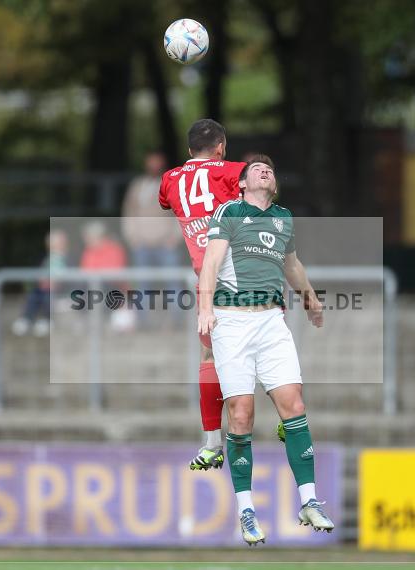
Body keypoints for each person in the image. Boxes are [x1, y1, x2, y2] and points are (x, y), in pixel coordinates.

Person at [197, 155, 334, 545]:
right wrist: (205, 308)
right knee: (241, 414)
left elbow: (292, 264)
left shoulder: (283, 217)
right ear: (241, 184)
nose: (264, 170)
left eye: (270, 170)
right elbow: (211, 263)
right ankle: (246, 509)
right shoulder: (231, 211)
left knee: (294, 405)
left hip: (272, 321)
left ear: (274, 185)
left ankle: (309, 500)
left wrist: (310, 300)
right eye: (256, 168)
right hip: (232, 321)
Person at [158, 118, 248, 471]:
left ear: (188, 150)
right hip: (246, 272)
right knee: (268, 344)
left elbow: (167, 202)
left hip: (207, 280)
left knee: (210, 355)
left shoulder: (170, 180)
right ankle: (288, 421)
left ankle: (212, 441)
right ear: (222, 146)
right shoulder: (233, 172)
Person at [121, 151, 182, 328]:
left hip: (165, 243)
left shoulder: (171, 184)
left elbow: (180, 212)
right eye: (151, 163)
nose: (154, 166)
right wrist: (132, 237)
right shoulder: (137, 186)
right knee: (142, 283)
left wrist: (174, 237)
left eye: (157, 163)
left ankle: (176, 321)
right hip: (142, 243)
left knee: (173, 282)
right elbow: (129, 212)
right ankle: (143, 322)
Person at [12, 229, 69, 337]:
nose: (51, 246)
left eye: (55, 244)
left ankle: (46, 320)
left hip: (60, 290)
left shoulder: (68, 259)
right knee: (34, 295)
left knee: (48, 297)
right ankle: (26, 319)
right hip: (46, 287)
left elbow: (67, 278)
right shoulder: (47, 259)